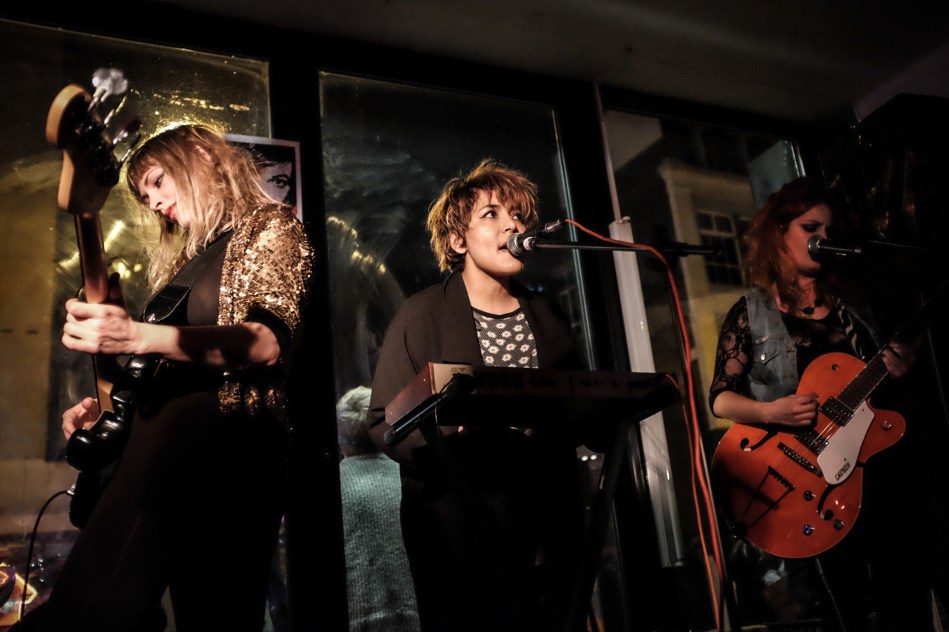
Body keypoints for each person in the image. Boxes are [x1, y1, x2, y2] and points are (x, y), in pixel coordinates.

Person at [13, 123, 314, 632]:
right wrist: (108, 409)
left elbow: (264, 343)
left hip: (229, 465)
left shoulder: (272, 227)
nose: (153, 202)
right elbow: (157, 370)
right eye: (144, 195)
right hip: (161, 461)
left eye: (156, 181)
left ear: (200, 153)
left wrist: (134, 334)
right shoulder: (187, 262)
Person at [366, 159, 587, 632]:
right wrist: (452, 437)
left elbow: (577, 405)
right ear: (457, 241)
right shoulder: (421, 314)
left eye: (518, 216)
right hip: (458, 517)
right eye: (492, 214)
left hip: (541, 513)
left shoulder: (547, 314)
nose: (513, 225)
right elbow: (384, 420)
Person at [708, 176, 936, 631]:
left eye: (830, 232)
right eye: (811, 228)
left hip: (874, 473)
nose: (823, 240)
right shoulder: (751, 313)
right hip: (806, 490)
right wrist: (770, 412)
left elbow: (882, 400)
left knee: (904, 597)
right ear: (779, 233)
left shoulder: (857, 305)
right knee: (839, 609)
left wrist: (902, 369)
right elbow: (721, 399)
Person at [336, 385, 421, 632]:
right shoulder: (410, 478)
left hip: (357, 622)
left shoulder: (331, 488)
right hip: (418, 617)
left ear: (341, 436)